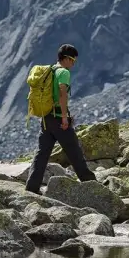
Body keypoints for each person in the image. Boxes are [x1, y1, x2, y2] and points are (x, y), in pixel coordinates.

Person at [25, 44, 97, 194]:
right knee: (74, 151)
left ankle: (32, 187)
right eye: (73, 60)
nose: (73, 64)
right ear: (66, 59)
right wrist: (65, 118)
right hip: (58, 119)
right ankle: (92, 185)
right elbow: (63, 94)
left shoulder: (50, 70)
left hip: (46, 118)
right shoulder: (63, 72)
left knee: (42, 153)